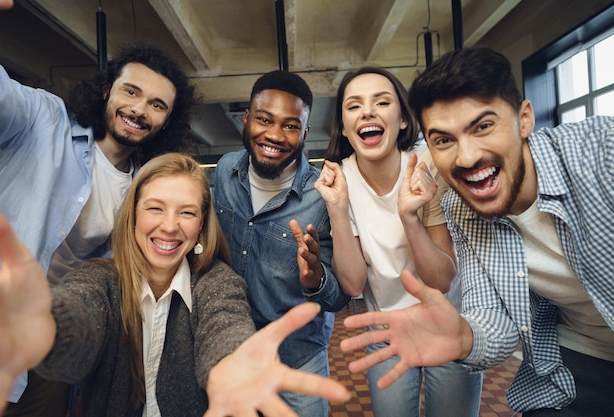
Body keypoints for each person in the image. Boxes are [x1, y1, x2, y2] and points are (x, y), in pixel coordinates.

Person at [339, 47, 614, 416]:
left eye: (483, 126)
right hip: (579, 356)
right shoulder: (462, 209)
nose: (466, 157)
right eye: (444, 140)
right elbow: (493, 319)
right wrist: (465, 336)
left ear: (524, 119)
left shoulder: (600, 152)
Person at [0, 152, 350, 417]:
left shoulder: (217, 283)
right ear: (132, 218)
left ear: (201, 227)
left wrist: (232, 366)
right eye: (155, 208)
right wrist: (47, 326)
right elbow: (80, 316)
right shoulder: (99, 278)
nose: (170, 226)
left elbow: (225, 327)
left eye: (187, 212)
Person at [0, 15, 200, 415]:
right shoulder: (43, 122)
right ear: (107, 90)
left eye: (156, 105)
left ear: (167, 121)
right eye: (131, 92)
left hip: (54, 331)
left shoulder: (144, 188)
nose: (139, 110)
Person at [314, 66, 482, 417]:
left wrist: (410, 217)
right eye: (354, 106)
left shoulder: (427, 169)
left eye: (382, 101)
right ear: (344, 127)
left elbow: (441, 278)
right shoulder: (339, 179)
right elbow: (353, 283)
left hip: (447, 321)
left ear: (403, 120)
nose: (368, 112)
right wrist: (338, 210)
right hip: (386, 328)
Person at [213, 70, 351, 417]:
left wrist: (315, 278)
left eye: (290, 125)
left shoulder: (322, 196)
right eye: (264, 119)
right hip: (230, 346)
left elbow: (340, 296)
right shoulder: (226, 170)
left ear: (305, 132)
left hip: (296, 356)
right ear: (246, 119)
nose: (274, 135)